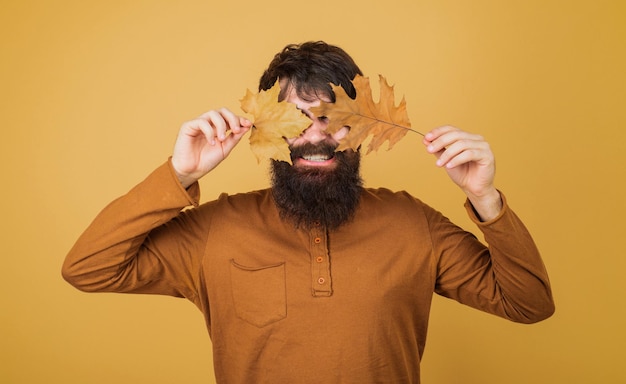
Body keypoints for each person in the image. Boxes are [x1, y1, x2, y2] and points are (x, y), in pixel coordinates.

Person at [62, 41, 554, 383]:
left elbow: (528, 304)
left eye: (334, 119)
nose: (315, 136)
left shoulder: (413, 223)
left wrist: (486, 199)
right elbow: (88, 267)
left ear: (363, 128)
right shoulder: (216, 228)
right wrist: (180, 174)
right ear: (261, 128)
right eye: (296, 119)